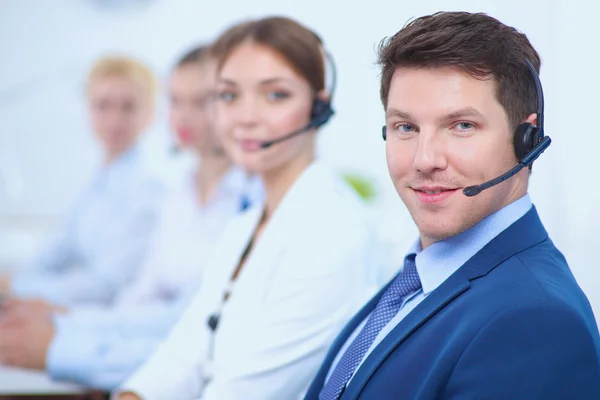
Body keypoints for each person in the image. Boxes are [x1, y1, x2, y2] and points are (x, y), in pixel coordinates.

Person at [305, 11, 600, 400]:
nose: (424, 159)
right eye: (406, 127)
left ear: (527, 139)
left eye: (462, 125)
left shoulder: (536, 319)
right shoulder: (419, 279)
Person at [115, 16, 377, 400]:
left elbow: (247, 392)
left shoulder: (331, 231)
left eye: (276, 95)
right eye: (229, 95)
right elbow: (183, 353)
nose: (245, 117)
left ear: (318, 107)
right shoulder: (246, 225)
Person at [0, 45, 262, 390]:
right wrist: (70, 324)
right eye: (176, 101)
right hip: (138, 342)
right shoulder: (179, 192)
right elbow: (142, 291)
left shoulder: (243, 200)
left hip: (183, 361)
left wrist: (68, 331)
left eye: (200, 102)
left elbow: (184, 320)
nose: (184, 116)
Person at [0, 55, 164, 307]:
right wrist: (12, 280)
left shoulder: (148, 190)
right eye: (103, 105)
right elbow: (55, 252)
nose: (114, 120)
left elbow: (108, 286)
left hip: (108, 314)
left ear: (149, 114)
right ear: (87, 108)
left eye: (128, 107)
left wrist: (19, 288)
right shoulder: (97, 182)